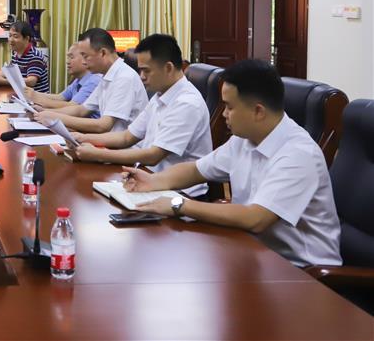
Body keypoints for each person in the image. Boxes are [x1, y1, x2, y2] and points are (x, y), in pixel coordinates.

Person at [125, 59, 341, 267]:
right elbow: (196, 170)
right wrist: (153, 181)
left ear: (258, 111)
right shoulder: (244, 139)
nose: (224, 114)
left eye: (229, 107)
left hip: (301, 270)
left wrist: (179, 205)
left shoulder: (298, 154)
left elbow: (256, 218)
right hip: (253, 251)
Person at [71, 34, 212, 197]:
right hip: (152, 180)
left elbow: (153, 156)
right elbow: (127, 137)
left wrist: (98, 155)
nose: (142, 76)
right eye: (140, 70)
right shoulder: (160, 96)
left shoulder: (187, 103)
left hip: (180, 194)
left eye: (146, 70)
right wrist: (82, 138)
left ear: (168, 68)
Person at [34, 28, 147, 133]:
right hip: (108, 141)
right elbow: (81, 110)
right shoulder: (106, 75)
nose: (83, 62)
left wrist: (55, 117)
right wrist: (44, 112)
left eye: (85, 56)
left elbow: (103, 125)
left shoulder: (124, 77)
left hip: (123, 146)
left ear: (103, 53)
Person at [23, 43, 100, 110]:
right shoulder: (78, 80)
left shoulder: (93, 81)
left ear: (85, 59)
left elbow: (73, 107)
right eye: (68, 57)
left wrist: (38, 100)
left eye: (71, 57)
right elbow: (60, 97)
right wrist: (33, 93)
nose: (67, 62)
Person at [0, 21, 50, 92]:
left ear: (27, 39)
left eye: (15, 36)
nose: (11, 40)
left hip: (34, 98)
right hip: (22, 95)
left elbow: (31, 82)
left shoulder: (34, 56)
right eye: (10, 36)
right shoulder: (16, 53)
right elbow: (7, 72)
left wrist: (2, 81)